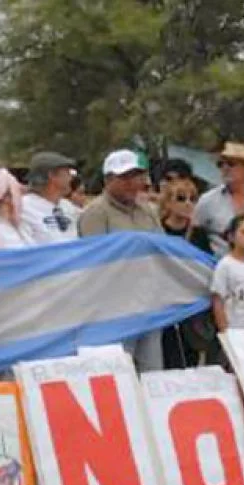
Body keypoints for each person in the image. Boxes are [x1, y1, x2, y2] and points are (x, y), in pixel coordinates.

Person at [79, 150, 164, 372]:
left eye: (136, 176)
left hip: (149, 303)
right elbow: (94, 261)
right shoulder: (95, 212)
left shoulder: (149, 211)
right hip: (114, 308)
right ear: (108, 179)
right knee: (120, 372)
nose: (132, 182)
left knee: (152, 371)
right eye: (124, 177)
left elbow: (162, 248)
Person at [159, 178, 220, 369]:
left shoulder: (199, 234)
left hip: (191, 305)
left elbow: (206, 265)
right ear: (168, 202)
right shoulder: (158, 230)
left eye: (192, 199)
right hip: (165, 302)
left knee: (191, 356)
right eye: (180, 198)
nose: (187, 204)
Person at [21, 152, 80, 243]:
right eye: (68, 172)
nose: (71, 178)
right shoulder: (24, 208)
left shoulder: (68, 207)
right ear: (52, 175)